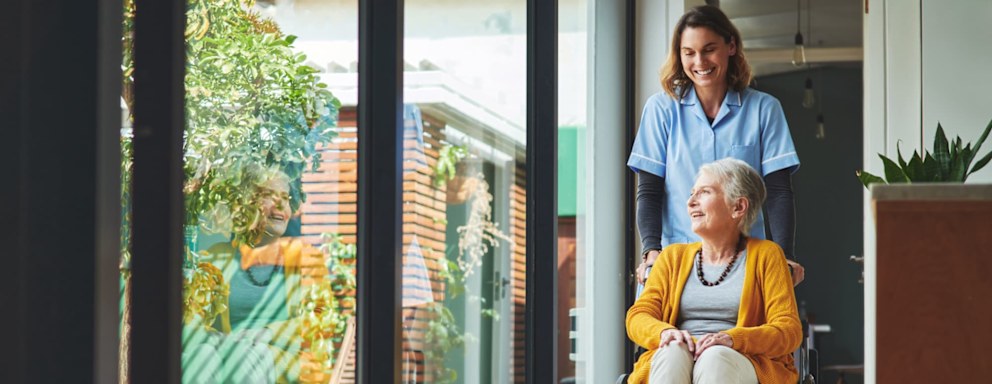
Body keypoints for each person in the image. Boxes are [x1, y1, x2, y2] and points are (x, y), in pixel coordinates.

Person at [628, 5, 804, 287]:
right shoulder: (661, 109)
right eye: (689, 52)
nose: (700, 61)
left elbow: (779, 191)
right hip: (676, 264)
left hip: (745, 265)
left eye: (709, 49)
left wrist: (784, 256)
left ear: (730, 46)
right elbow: (649, 190)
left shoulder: (764, 110)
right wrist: (651, 251)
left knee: (743, 333)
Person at [625, 158, 801, 384]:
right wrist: (663, 333)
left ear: (738, 207)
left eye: (704, 192)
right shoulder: (671, 257)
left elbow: (788, 330)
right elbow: (638, 316)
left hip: (740, 359)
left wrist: (732, 339)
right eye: (691, 193)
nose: (691, 202)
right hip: (678, 355)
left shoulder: (767, 255)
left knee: (714, 358)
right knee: (672, 352)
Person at [184, 168, 329, 384]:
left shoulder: (307, 259)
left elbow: (319, 317)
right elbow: (193, 315)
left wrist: (264, 334)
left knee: (243, 356)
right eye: (270, 196)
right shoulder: (217, 257)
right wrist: (213, 338)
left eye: (286, 198)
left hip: (289, 361)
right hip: (230, 350)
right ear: (245, 205)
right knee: (199, 355)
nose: (281, 206)